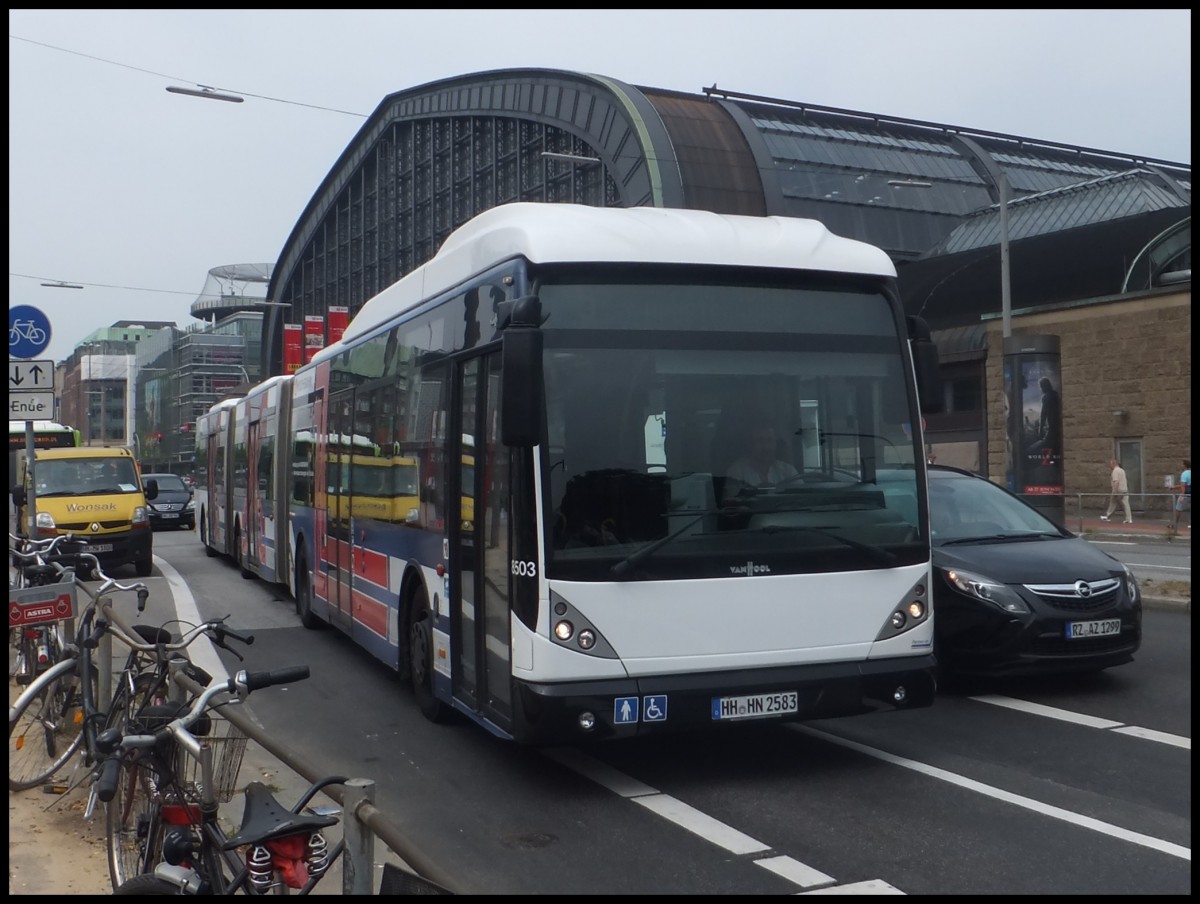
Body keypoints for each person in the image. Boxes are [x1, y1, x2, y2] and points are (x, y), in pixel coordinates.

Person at [723, 420, 798, 502]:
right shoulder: (736, 471)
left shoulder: (788, 471)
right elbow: (734, 504)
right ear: (750, 445)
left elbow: (799, 499)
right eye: (760, 441)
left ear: (775, 444)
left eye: (770, 440)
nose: (766, 447)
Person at [1100, 457, 1131, 524]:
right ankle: (1129, 519)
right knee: (1126, 504)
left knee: (1113, 503)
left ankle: (1108, 516)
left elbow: (1116, 481)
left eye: (1110, 464)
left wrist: (1115, 491)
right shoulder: (1122, 470)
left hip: (1118, 490)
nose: (1110, 466)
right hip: (1124, 489)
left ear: (1113, 464)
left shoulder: (1115, 471)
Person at [1172, 458, 1190, 530]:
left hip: (1186, 494)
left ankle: (1175, 524)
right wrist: (1174, 487)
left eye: (1182, 464)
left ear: (1185, 465)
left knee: (1178, 509)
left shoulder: (1184, 474)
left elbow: (1183, 486)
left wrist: (1182, 495)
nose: (1181, 465)